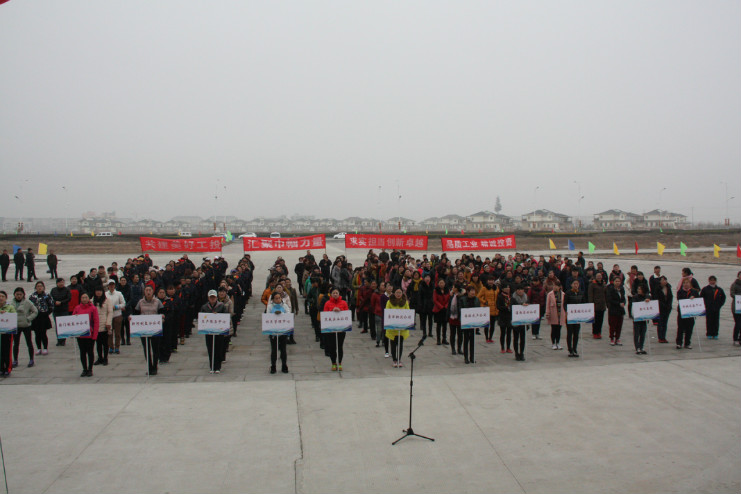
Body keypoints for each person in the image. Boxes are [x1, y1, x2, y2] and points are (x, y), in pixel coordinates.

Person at [133, 285, 164, 375]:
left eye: (150, 290)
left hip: (154, 327)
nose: (148, 292)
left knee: (155, 348)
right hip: (144, 328)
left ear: (153, 291)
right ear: (144, 292)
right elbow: (136, 313)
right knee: (146, 348)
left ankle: (155, 366)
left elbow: (162, 312)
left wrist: (162, 317)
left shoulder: (157, 301)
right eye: (146, 290)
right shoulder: (140, 302)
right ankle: (149, 367)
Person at [201, 289, 229, 374]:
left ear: (216, 297)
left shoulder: (221, 306)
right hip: (209, 331)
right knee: (210, 348)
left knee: (218, 348)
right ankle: (212, 366)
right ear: (208, 298)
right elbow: (202, 318)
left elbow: (226, 316)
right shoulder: (205, 307)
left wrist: (218, 315)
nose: (212, 299)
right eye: (211, 297)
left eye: (214, 297)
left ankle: (218, 366)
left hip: (219, 331)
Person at [72, 292, 99, 377]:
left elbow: (96, 322)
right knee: (82, 352)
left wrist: (95, 335)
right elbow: (73, 320)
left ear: (88, 298)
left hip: (90, 335)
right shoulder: (77, 308)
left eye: (86, 297)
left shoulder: (93, 308)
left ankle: (90, 369)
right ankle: (84, 369)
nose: (84, 299)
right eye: (83, 297)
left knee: (90, 352)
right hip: (80, 335)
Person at [323, 288, 350, 371]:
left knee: (340, 345)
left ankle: (340, 362)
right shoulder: (327, 303)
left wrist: (340, 310)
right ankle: (333, 363)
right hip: (331, 328)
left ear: (339, 294)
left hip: (341, 328)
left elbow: (347, 313)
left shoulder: (344, 303)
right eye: (333, 293)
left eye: (336, 293)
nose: (335, 294)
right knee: (332, 346)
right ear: (331, 294)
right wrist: (332, 310)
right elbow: (325, 314)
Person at [11, 287, 38, 368]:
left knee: (29, 343)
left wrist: (28, 319)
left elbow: (35, 311)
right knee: (16, 344)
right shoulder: (11, 303)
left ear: (23, 295)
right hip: (16, 326)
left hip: (26, 325)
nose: (19, 296)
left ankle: (31, 359)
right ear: (14, 295)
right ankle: (15, 360)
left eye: (20, 294)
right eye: (17, 294)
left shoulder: (27, 302)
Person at [385, 288, 410, 368]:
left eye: (400, 293)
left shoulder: (405, 302)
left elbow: (408, 312)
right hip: (392, 327)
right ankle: (394, 360)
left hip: (401, 328)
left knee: (400, 344)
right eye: (397, 292)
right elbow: (387, 312)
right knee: (393, 344)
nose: (398, 294)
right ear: (394, 293)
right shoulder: (389, 302)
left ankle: (399, 359)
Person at [266, 291, 289, 374]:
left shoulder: (285, 306)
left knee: (283, 349)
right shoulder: (270, 307)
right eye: (276, 298)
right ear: (273, 299)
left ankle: (284, 365)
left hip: (283, 331)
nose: (278, 300)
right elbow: (267, 316)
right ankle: (273, 366)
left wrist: (281, 314)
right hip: (273, 331)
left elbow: (288, 315)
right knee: (274, 350)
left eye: (279, 298)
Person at [29, 281, 54, 357]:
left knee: (43, 333)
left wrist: (47, 313)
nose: (39, 287)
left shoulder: (47, 295)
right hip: (35, 317)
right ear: (35, 287)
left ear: (43, 287)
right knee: (37, 334)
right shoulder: (32, 296)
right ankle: (39, 348)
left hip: (44, 316)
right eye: (38, 286)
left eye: (41, 286)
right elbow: (29, 306)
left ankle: (45, 348)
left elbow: (51, 305)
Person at [458, 285, 480, 364]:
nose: (473, 292)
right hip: (466, 322)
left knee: (472, 341)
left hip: (473, 322)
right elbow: (460, 310)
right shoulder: (462, 299)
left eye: (474, 291)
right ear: (468, 292)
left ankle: (472, 357)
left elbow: (478, 310)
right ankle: (466, 357)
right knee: (466, 339)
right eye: (471, 291)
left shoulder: (476, 299)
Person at [676, 278, 700, 349]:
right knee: (680, 328)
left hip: (691, 313)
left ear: (690, 284)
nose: (686, 284)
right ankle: (679, 343)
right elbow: (679, 299)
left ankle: (687, 343)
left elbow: (698, 299)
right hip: (682, 312)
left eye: (687, 283)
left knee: (689, 329)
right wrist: (688, 299)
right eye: (684, 283)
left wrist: (694, 298)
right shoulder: (680, 291)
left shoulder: (694, 291)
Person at [564, 280, 585, 357]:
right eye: (574, 284)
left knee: (576, 333)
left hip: (577, 316)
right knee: (570, 333)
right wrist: (567, 310)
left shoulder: (581, 293)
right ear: (571, 285)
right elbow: (565, 304)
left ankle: (575, 348)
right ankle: (570, 349)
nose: (576, 285)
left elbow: (583, 303)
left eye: (577, 284)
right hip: (570, 316)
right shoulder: (568, 293)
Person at [92, 287, 112, 366]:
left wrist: (108, 322)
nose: (98, 292)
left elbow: (110, 312)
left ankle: (105, 358)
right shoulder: (92, 301)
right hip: (95, 324)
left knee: (105, 343)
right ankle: (100, 358)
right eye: (97, 291)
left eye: (100, 291)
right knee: (98, 343)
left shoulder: (107, 300)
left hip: (104, 323)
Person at [105, 280, 125, 354]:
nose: (111, 286)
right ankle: (110, 346)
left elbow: (123, 303)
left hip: (117, 315)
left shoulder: (119, 293)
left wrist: (116, 307)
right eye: (110, 285)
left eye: (112, 285)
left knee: (117, 332)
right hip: (108, 315)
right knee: (109, 332)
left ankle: (117, 347)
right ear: (108, 286)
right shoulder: (105, 294)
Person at [0, 291, 17, 377]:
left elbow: (13, 317)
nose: (1, 298)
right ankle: (1, 368)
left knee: (7, 351)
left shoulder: (10, 307)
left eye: (2, 296)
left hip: (7, 333)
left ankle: (7, 368)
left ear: (6, 298)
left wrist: (5, 314)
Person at [50, 278, 71, 346]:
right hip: (56, 310)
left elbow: (69, 298)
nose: (61, 283)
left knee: (63, 325)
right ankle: (59, 340)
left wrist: (61, 302)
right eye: (60, 282)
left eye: (62, 282)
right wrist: (55, 302)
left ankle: (63, 340)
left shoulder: (67, 289)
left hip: (64, 310)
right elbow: (50, 298)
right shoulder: (53, 290)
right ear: (57, 283)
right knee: (58, 325)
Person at [545, 281, 566, 350]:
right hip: (553, 313)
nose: (555, 287)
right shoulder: (550, 294)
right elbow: (547, 304)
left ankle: (558, 343)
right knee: (553, 329)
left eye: (556, 286)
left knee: (559, 329)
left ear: (559, 287)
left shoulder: (563, 294)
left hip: (561, 313)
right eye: (554, 286)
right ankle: (553, 343)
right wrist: (547, 313)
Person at [478, 278, 499, 343]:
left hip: (494, 308)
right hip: (486, 308)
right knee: (486, 325)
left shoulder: (496, 288)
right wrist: (484, 302)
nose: (491, 282)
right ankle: (486, 337)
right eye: (489, 280)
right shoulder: (484, 288)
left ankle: (490, 337)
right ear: (487, 281)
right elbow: (479, 296)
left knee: (492, 324)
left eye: (492, 280)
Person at [606, 277, 626, 346]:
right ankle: (612, 338)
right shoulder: (610, 289)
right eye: (616, 281)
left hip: (620, 310)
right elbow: (610, 299)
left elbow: (623, 298)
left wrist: (623, 303)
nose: (617, 282)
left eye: (619, 281)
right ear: (613, 282)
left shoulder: (621, 289)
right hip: (613, 309)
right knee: (612, 325)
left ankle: (617, 338)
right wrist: (618, 303)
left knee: (619, 325)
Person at [652, 276, 673, 343]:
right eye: (663, 280)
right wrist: (663, 305)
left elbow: (671, 297)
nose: (664, 281)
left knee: (665, 323)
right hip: (660, 308)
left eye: (665, 280)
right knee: (660, 323)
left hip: (667, 308)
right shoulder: (657, 288)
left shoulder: (668, 287)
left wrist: (669, 305)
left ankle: (663, 337)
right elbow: (656, 298)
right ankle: (660, 337)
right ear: (660, 281)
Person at [511, 285, 529, 361]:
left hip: (524, 321)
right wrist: (521, 305)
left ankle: (522, 353)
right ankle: (516, 353)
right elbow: (512, 307)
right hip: (516, 321)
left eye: (521, 289)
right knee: (516, 338)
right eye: (518, 289)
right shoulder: (513, 298)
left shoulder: (526, 297)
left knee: (523, 338)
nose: (520, 291)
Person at [587, 272, 607, 339]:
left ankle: (599, 332)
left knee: (601, 320)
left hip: (602, 305)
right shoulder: (592, 284)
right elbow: (590, 295)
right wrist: (591, 304)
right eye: (598, 276)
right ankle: (595, 333)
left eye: (600, 276)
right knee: (595, 320)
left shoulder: (603, 284)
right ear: (595, 277)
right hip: (595, 305)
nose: (599, 277)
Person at [632, 286, 650, 354]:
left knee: (643, 333)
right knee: (636, 333)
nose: (638, 290)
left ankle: (641, 346)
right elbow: (635, 305)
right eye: (638, 289)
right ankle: (637, 347)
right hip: (637, 318)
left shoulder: (647, 296)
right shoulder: (635, 297)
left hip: (644, 318)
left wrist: (648, 300)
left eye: (640, 289)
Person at [432, 279, 450, 345]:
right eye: (440, 283)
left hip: (445, 309)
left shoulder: (447, 290)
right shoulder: (435, 290)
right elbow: (435, 300)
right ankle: (438, 339)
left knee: (445, 325)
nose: (441, 284)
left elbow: (449, 299)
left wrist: (446, 306)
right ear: (438, 284)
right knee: (438, 325)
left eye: (443, 283)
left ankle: (444, 339)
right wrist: (441, 307)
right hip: (438, 310)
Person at [496, 285, 512, 354]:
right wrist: (506, 308)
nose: (508, 289)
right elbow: (498, 306)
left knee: (509, 333)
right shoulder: (500, 296)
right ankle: (502, 347)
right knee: (503, 333)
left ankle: (508, 347)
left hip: (509, 317)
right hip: (502, 316)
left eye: (508, 288)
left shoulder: (510, 296)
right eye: (506, 288)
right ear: (502, 289)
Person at [731, 271, 741, 346]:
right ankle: (735, 339)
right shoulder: (734, 284)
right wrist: (738, 297)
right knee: (738, 323)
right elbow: (732, 293)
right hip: (736, 306)